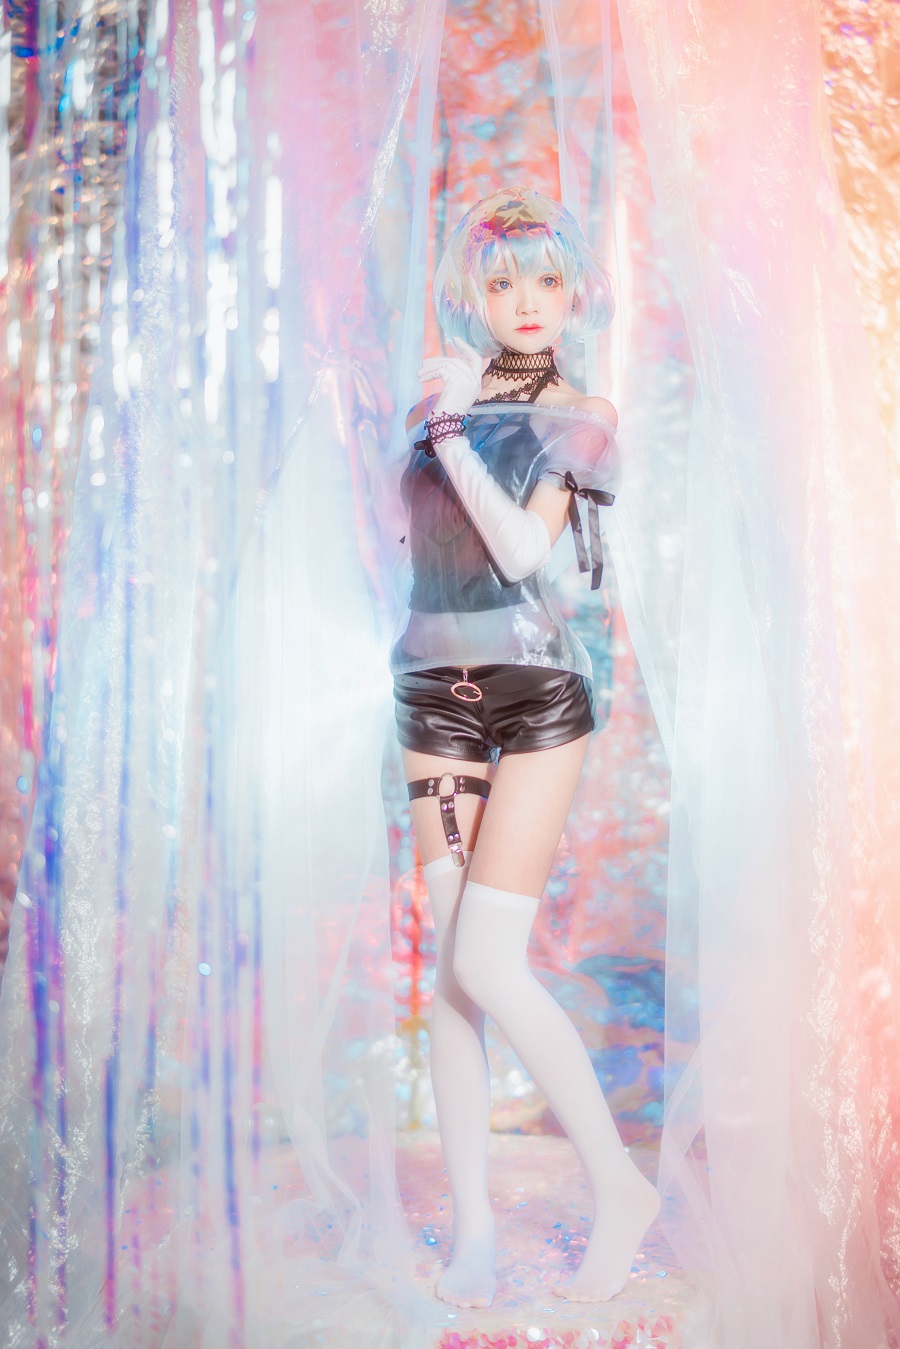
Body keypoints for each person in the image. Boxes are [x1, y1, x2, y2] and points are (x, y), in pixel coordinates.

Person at [390, 187, 662, 1311]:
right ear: (474, 296)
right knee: (453, 971)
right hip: (429, 688)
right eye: (502, 282)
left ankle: (620, 1186)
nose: (527, 301)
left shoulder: (581, 414)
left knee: (490, 960)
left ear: (575, 289)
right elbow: (407, 541)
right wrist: (424, 417)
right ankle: (474, 1231)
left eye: (547, 278)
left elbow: (515, 553)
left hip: (537, 687)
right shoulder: (436, 404)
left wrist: (452, 427)